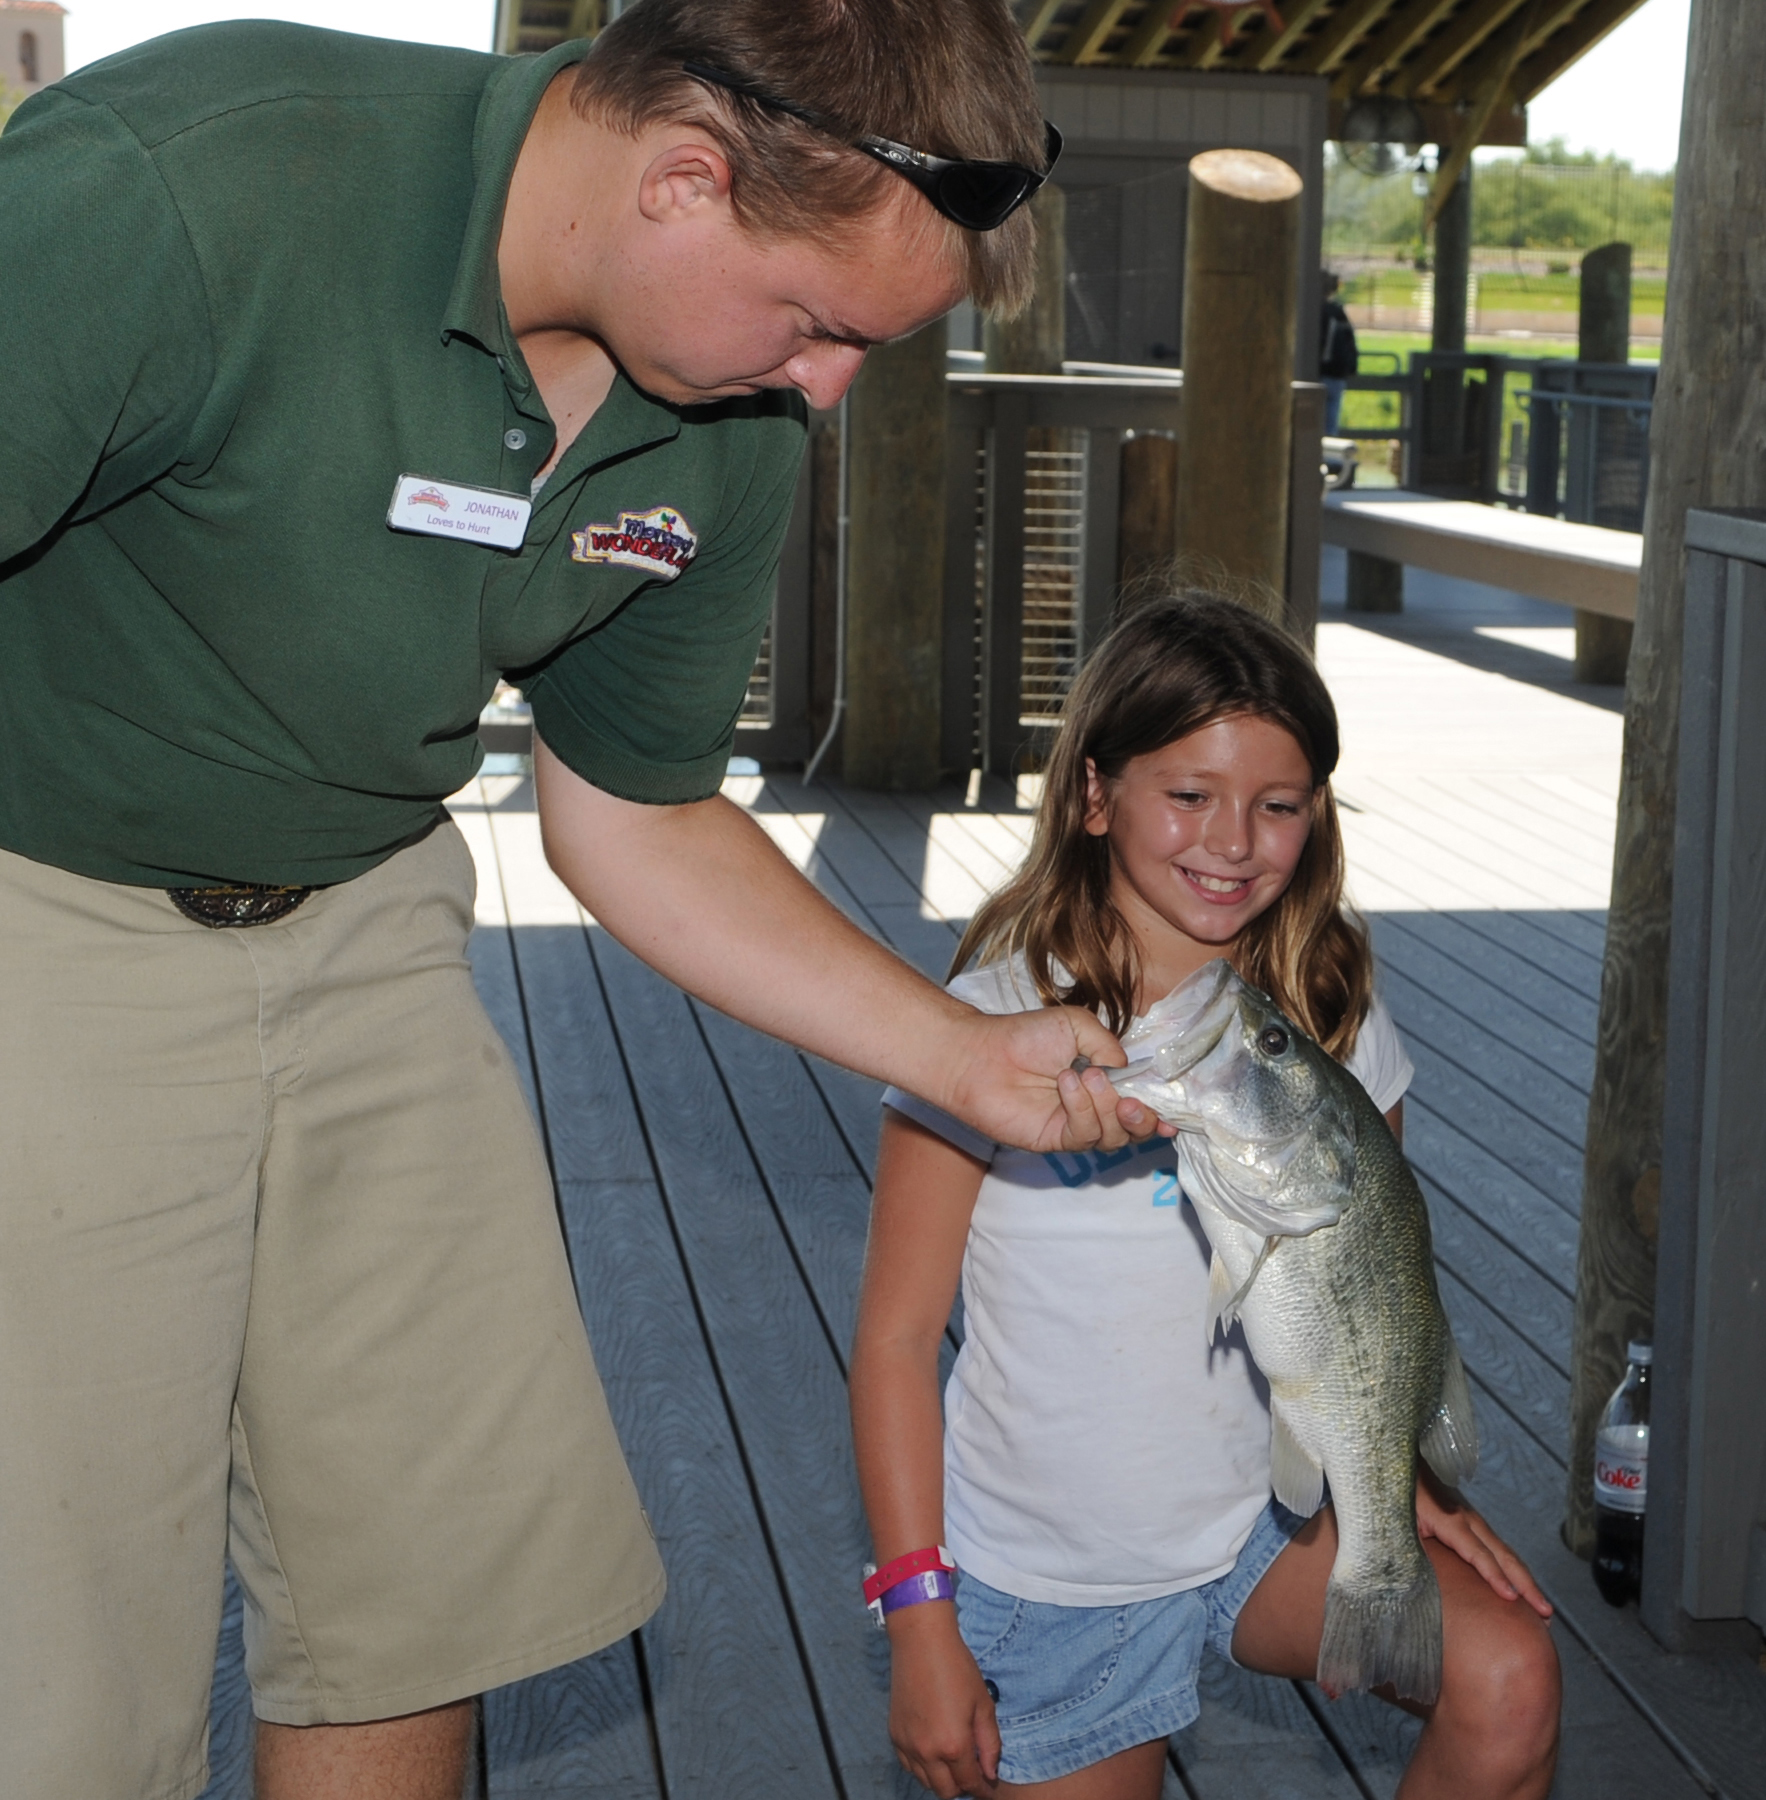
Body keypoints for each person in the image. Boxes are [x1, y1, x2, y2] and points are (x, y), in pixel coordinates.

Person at [0, 5, 1157, 1797]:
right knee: (57, 1677)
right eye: (820, 322)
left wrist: (969, 1054)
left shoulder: (726, 410)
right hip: (44, 912)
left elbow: (629, 811)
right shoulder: (187, 188)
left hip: (371, 907)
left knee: (416, 1590)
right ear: (684, 175)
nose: (826, 387)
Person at [850, 592, 1563, 1800]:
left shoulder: (1330, 1017)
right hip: (1056, 1572)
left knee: (1508, 1682)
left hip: (1262, 1521)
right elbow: (894, 1336)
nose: (1232, 842)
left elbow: (1375, 1286)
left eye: (1276, 806)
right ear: (1092, 794)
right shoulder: (981, 1028)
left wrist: (1405, 1484)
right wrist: (918, 1615)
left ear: (1315, 814)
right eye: (1187, 796)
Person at [1320, 269, 1359, 435]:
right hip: (1336, 377)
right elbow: (1350, 343)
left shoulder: (1310, 312)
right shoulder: (1338, 313)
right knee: (1330, 428)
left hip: (1316, 374)